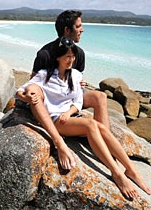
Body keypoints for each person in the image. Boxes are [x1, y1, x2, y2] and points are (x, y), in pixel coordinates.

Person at [16, 37, 151, 199]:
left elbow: (78, 101)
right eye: (67, 57)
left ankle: (130, 170)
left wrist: (69, 112)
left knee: (99, 127)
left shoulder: (76, 75)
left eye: (73, 56)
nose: (71, 60)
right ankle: (117, 173)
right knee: (91, 125)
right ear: (58, 57)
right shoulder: (45, 75)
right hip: (56, 121)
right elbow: (21, 90)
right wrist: (28, 97)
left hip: (68, 117)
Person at [27, 10, 110, 171]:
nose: (82, 29)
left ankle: (104, 142)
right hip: (52, 102)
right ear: (67, 30)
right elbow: (33, 82)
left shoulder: (79, 53)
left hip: (71, 98)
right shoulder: (45, 54)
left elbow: (75, 80)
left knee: (100, 97)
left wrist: (81, 83)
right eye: (78, 26)